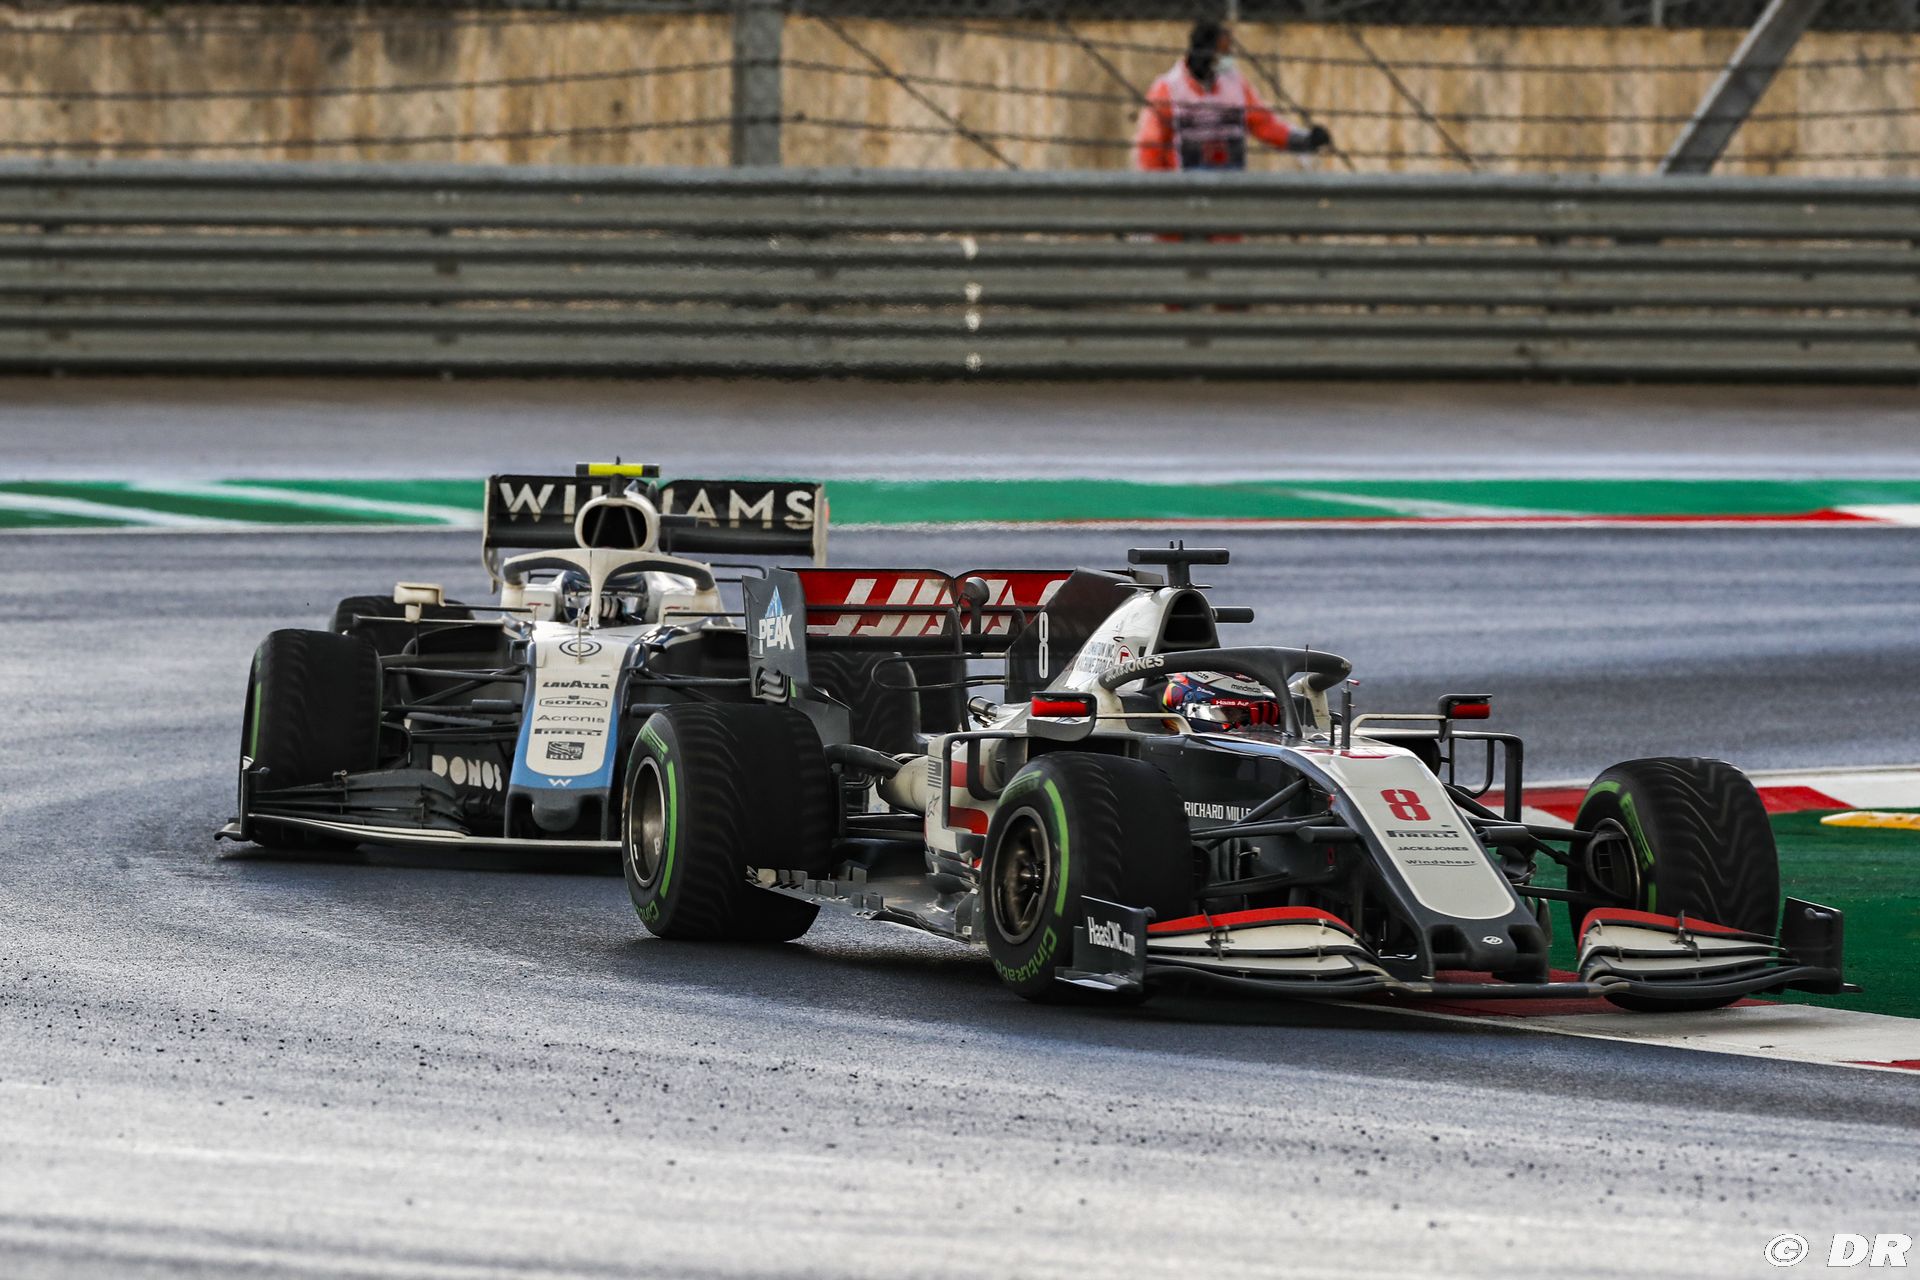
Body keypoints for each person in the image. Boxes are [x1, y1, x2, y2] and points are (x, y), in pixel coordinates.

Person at [1135, 20, 1332, 172]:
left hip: (1230, 189)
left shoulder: (1235, 85)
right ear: (1207, 53)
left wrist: (1305, 141)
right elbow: (1150, 148)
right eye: (1224, 52)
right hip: (1186, 193)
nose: (1228, 58)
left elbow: (1264, 124)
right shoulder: (1168, 90)